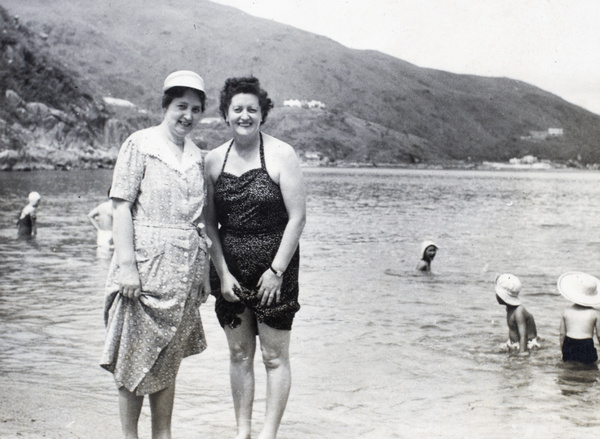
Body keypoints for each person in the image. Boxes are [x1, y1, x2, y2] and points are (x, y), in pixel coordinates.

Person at [100, 70, 211, 439]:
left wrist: (204, 274)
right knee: (133, 356)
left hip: (184, 270)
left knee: (167, 358)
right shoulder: (140, 143)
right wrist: (127, 267)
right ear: (165, 106)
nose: (188, 116)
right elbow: (120, 207)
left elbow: (200, 223)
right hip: (145, 268)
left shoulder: (197, 156)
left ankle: (163, 435)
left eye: (196, 109)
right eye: (181, 106)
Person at [204, 77, 306, 439]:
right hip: (230, 273)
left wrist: (276, 271)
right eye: (237, 109)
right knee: (238, 355)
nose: (244, 115)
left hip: (274, 274)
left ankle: (268, 434)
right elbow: (209, 224)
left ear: (262, 114)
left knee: (274, 357)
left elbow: (297, 218)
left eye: (252, 109)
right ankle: (242, 432)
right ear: (226, 115)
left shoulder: (283, 154)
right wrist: (222, 273)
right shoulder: (213, 160)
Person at [558, 271, 600, 365]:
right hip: (586, 344)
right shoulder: (595, 313)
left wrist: (563, 351)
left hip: (569, 343)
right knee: (589, 371)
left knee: (568, 371)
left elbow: (561, 334)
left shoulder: (566, 311)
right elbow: (599, 335)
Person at [494, 273, 539, 355]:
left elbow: (523, 335)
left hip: (527, 345)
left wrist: (522, 353)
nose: (496, 295)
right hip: (516, 343)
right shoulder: (510, 308)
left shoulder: (519, 311)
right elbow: (513, 329)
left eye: (497, 294)